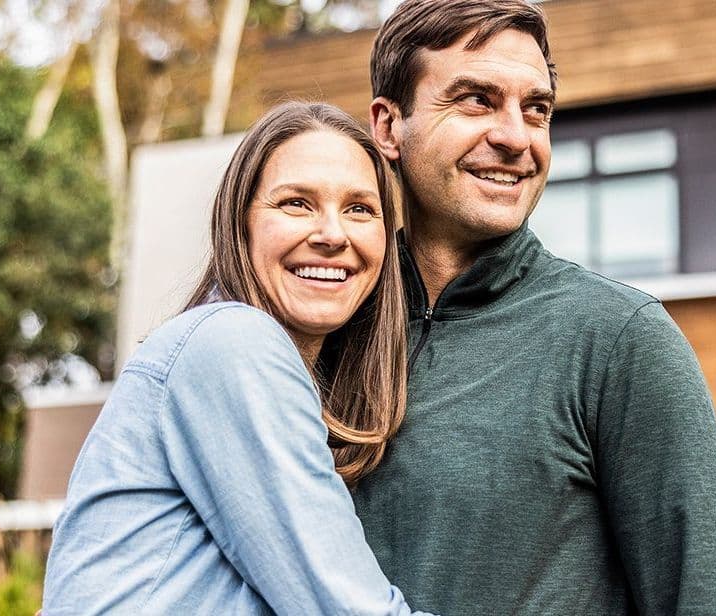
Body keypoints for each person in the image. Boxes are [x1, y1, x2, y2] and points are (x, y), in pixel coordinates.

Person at [350, 1, 716, 614]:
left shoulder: (619, 340)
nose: (517, 138)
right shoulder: (329, 328)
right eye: (476, 100)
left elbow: (707, 601)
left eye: (536, 110)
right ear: (388, 126)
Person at [43, 102, 433, 616]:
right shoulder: (233, 341)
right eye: (296, 203)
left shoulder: (259, 364)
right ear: (240, 221)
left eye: (360, 209)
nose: (333, 235)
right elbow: (344, 606)